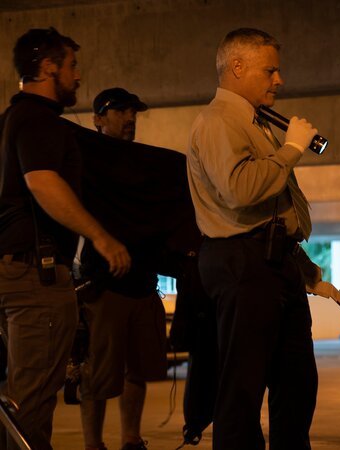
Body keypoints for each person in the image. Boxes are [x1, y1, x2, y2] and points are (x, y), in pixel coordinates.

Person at [186, 28, 323, 449]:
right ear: (238, 67)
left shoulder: (255, 123)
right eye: (270, 70)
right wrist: (292, 150)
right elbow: (240, 190)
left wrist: (299, 263)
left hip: (272, 261)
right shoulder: (217, 121)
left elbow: (271, 207)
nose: (278, 80)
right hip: (242, 262)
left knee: (296, 381)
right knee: (242, 389)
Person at [0, 27, 130, 450]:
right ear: (48, 68)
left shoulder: (8, 121)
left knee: (21, 400)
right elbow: (43, 183)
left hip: (12, 271)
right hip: (35, 277)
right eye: (72, 66)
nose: (77, 75)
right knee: (32, 404)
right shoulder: (39, 120)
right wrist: (102, 238)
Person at [77, 87, 165, 450]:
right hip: (103, 283)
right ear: (98, 119)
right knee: (97, 374)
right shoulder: (83, 161)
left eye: (134, 112)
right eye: (119, 111)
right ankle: (93, 445)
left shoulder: (144, 164)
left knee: (137, 369)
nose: (129, 118)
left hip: (143, 283)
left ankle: (131, 438)